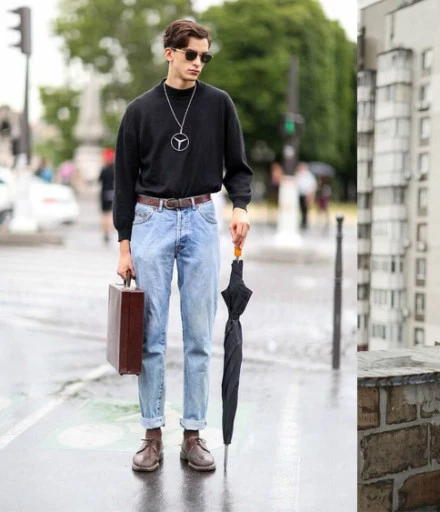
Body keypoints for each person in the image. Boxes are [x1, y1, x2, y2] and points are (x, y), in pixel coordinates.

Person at [113, 19, 252, 473]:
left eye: (204, 56)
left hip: (199, 216)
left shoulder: (218, 105)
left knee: (198, 335)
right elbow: (123, 180)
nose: (198, 64)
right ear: (169, 52)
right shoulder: (139, 110)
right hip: (150, 219)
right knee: (150, 338)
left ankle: (193, 434)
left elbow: (239, 168)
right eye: (191, 54)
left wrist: (241, 207)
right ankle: (152, 434)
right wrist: (124, 245)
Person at [98, 148, 116, 244]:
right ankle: (110, 232)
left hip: (105, 193)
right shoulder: (115, 169)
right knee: (110, 213)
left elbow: (99, 180)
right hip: (113, 192)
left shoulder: (104, 169)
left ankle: (106, 233)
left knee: (105, 214)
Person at [295, 161, 316, 230]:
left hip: (306, 194)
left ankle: (304, 222)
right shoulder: (298, 175)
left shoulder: (309, 176)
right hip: (299, 194)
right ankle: (300, 222)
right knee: (299, 209)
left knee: (305, 210)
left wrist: (310, 196)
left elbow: (312, 186)